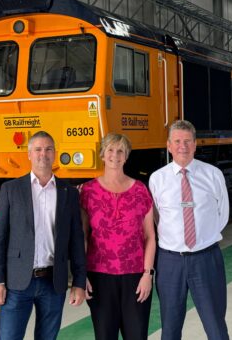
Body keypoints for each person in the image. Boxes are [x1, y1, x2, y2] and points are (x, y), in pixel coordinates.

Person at [0, 131, 86, 340]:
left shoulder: (68, 193)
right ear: (29, 154)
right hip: (17, 283)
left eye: (49, 149)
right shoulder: (10, 190)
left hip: (53, 282)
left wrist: (79, 281)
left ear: (55, 154)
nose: (44, 154)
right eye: (38, 149)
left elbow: (77, 241)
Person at [149, 120, 230, 340]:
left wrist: (204, 237)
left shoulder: (213, 175)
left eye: (187, 141)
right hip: (170, 262)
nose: (182, 146)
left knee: (215, 325)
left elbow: (222, 214)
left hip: (206, 258)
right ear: (168, 145)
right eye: (177, 141)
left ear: (195, 145)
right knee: (170, 327)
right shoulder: (157, 179)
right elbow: (157, 218)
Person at [80, 133, 156, 340]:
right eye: (110, 150)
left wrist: (147, 274)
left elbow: (150, 236)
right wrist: (81, 275)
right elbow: (83, 237)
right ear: (102, 155)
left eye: (120, 151)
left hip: (135, 277)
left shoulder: (140, 190)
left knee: (137, 335)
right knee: (104, 336)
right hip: (99, 277)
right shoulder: (88, 191)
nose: (115, 155)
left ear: (126, 156)